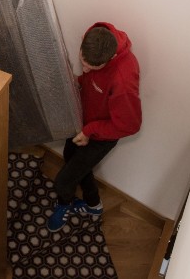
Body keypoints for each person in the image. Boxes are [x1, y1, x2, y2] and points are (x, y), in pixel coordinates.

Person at [47, 22, 142, 232]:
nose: (86, 68)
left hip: (102, 136)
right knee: (72, 160)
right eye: (83, 62)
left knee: (63, 181)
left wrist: (90, 131)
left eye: (93, 67)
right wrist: (80, 80)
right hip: (84, 123)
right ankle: (93, 206)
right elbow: (91, 78)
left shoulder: (123, 80)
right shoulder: (95, 38)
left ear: (109, 60)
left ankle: (65, 205)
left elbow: (129, 126)